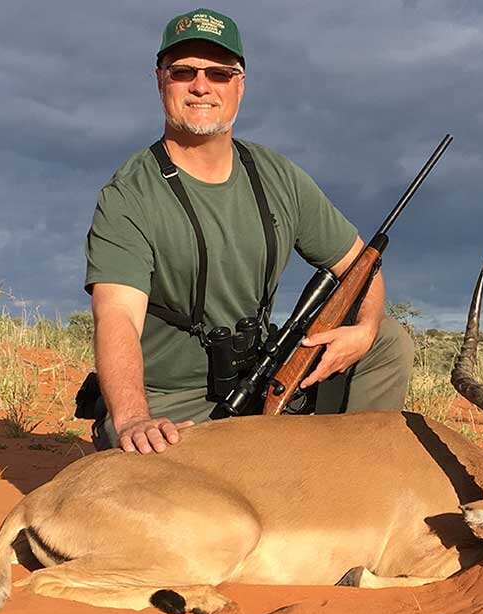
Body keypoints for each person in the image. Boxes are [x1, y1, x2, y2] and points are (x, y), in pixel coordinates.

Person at [84, 8, 414, 454]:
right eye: (184, 72)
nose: (202, 86)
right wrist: (133, 417)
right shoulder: (129, 195)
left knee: (387, 340)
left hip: (262, 377)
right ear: (161, 80)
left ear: (239, 84)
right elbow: (117, 316)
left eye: (219, 73)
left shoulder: (276, 175)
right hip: (171, 400)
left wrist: (365, 327)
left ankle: (355, 481)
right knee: (164, 480)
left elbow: (360, 265)